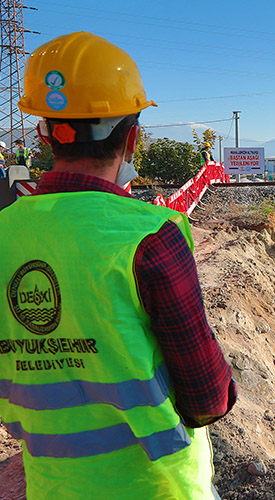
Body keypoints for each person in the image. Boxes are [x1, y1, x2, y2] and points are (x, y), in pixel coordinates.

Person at [1, 32, 236, 499]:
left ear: (45, 135)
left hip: (54, 486)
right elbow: (207, 399)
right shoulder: (150, 236)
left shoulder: (6, 230)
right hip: (158, 486)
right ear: (132, 138)